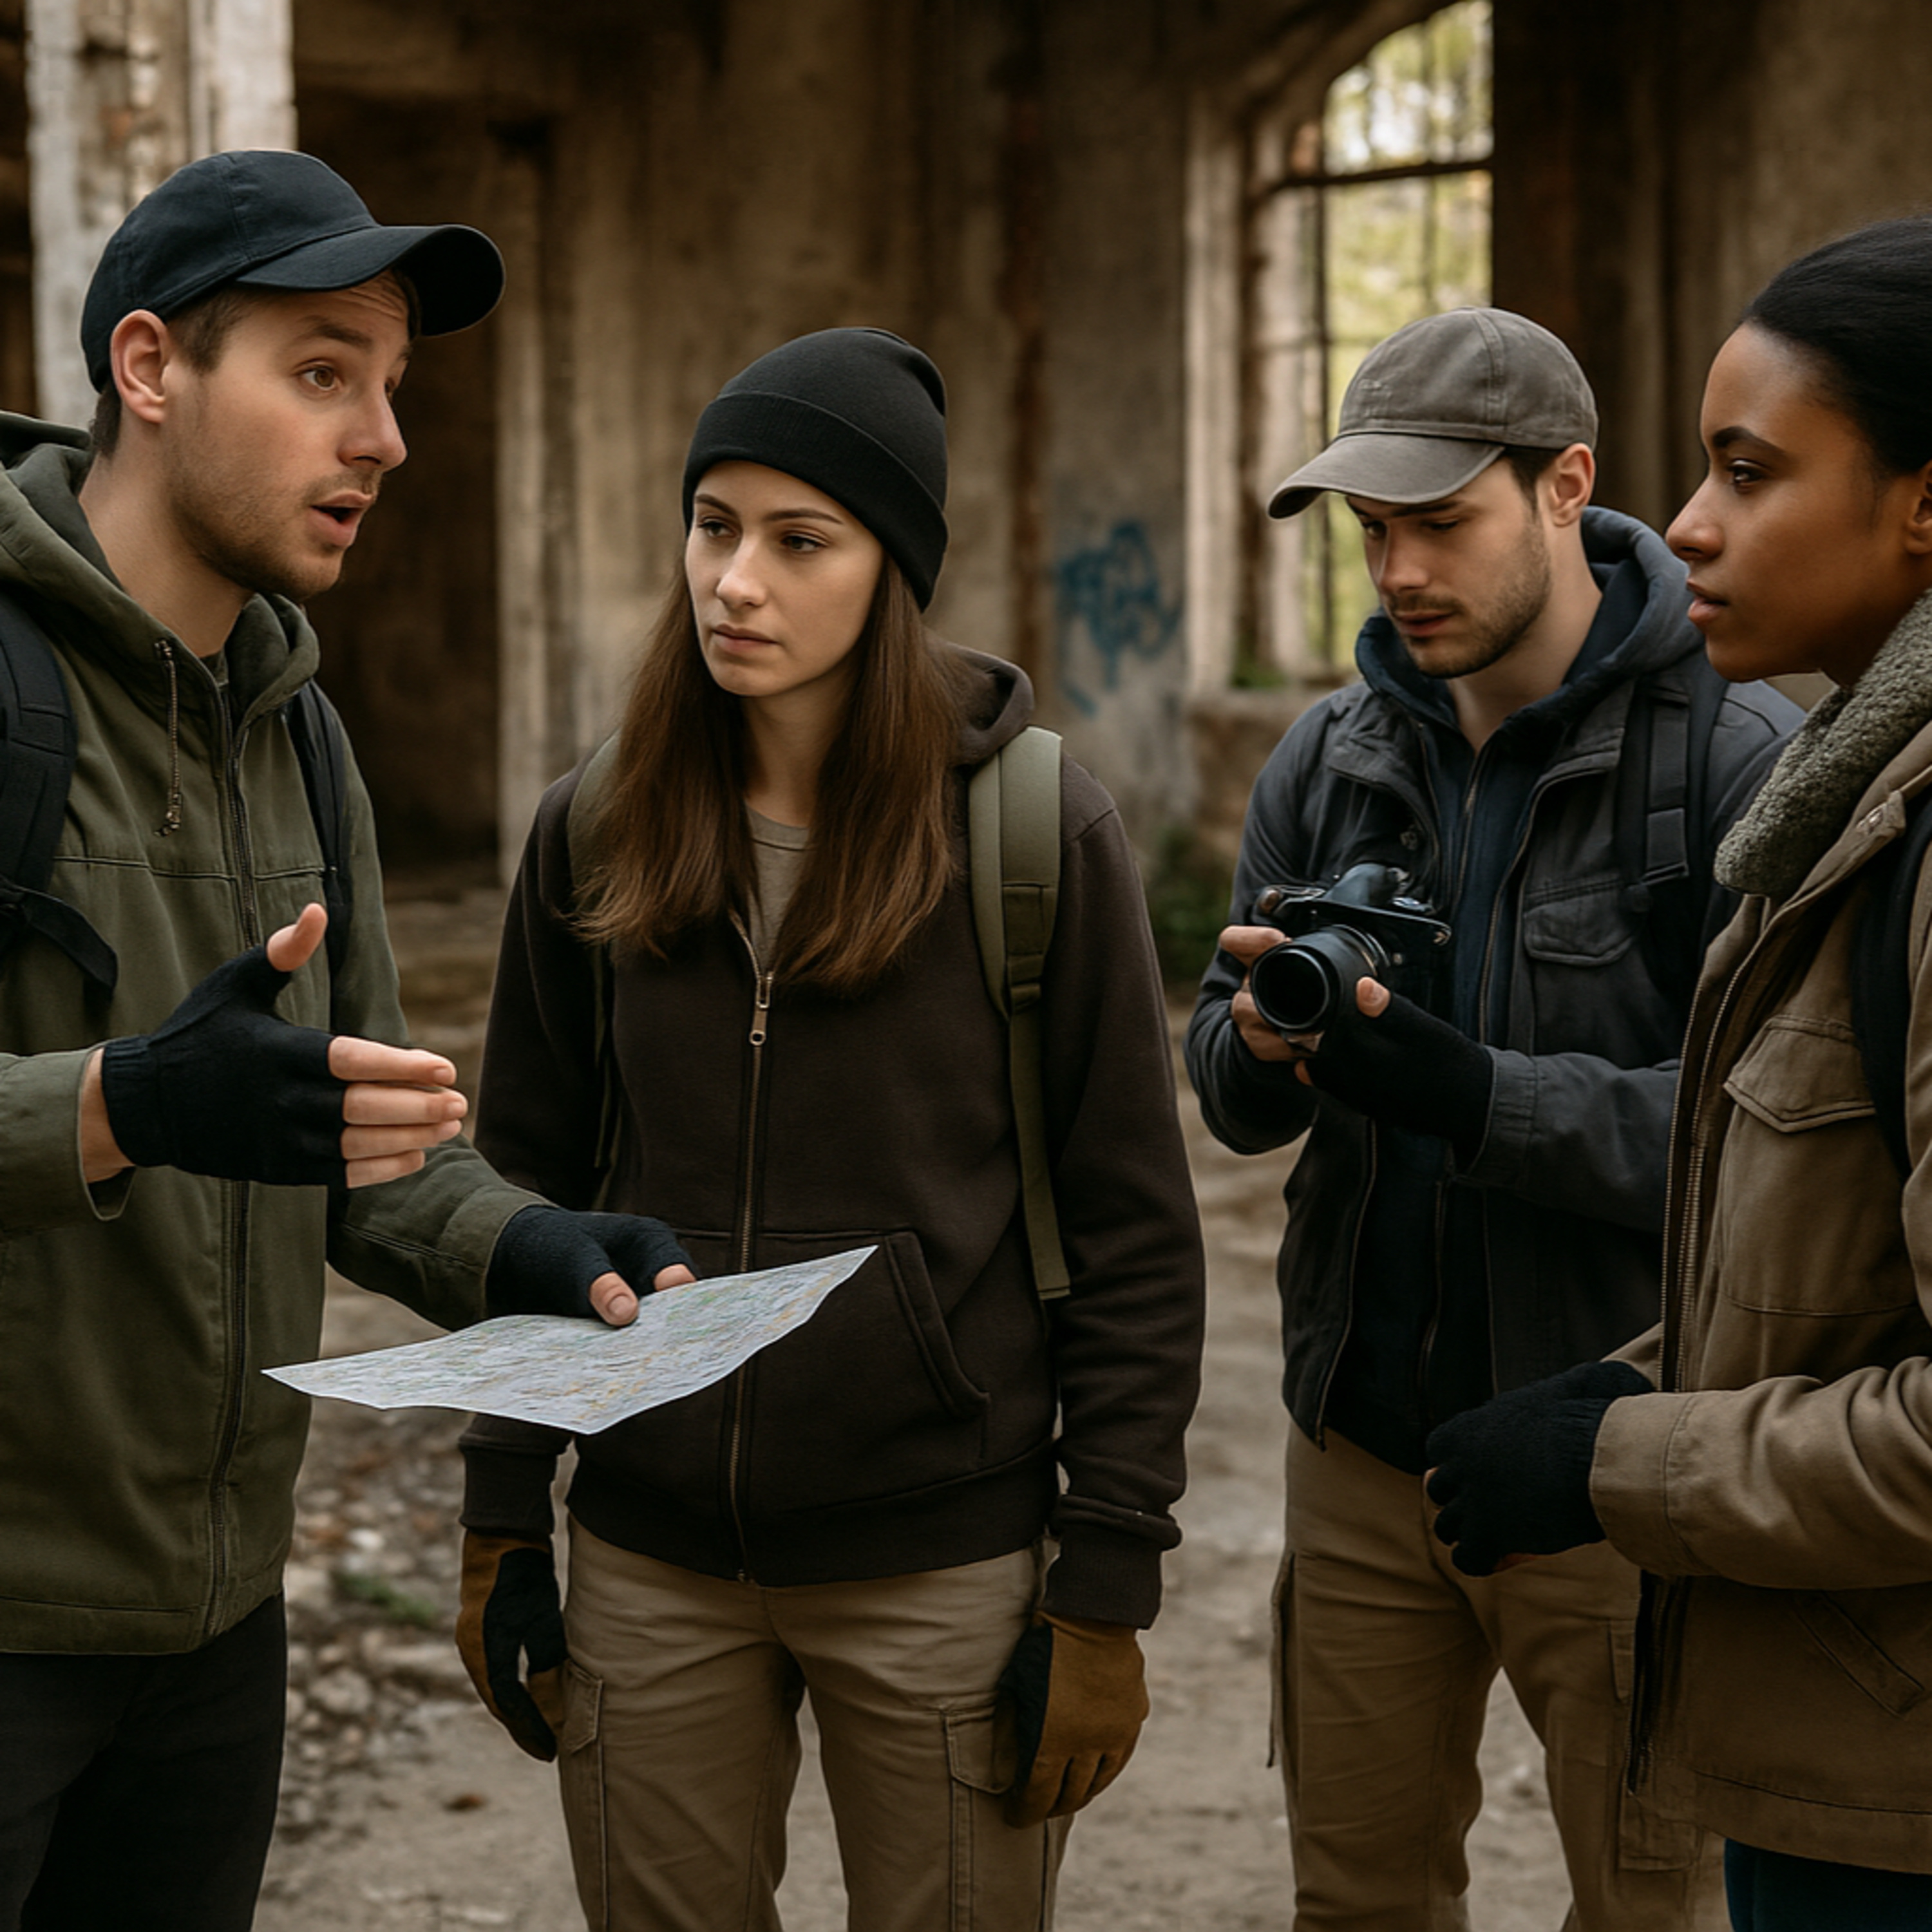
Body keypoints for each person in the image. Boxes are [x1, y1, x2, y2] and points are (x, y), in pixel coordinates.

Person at [0, 150, 694, 1932]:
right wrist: (127, 1103)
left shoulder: (300, 735)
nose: (386, 439)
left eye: (392, 385)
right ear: (149, 370)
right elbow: (177, 1107)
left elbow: (368, 1136)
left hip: (219, 1630)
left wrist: (525, 1252)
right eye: (325, 373)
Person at [455, 326, 1206, 1931]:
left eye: (802, 541)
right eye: (714, 525)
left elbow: (1136, 1229)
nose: (738, 581)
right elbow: (519, 1181)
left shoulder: (1034, 829)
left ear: (891, 572)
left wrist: (1105, 1590)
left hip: (937, 1562)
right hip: (649, 1556)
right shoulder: (594, 825)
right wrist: (502, 1514)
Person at [1185, 307, 1801, 1931]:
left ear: (1564, 487)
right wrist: (1255, 1043)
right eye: (1373, 530)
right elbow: (1222, 1085)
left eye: (1438, 522)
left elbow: (1769, 1156)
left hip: (1616, 1448)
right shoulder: (1329, 754)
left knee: (1649, 1908)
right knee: (1359, 1899)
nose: (1396, 571)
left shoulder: (1738, 764)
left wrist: (1470, 1094)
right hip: (1364, 1451)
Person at [1426, 222, 1932, 1929]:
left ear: (1924, 504)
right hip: (1841, 1759)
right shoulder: (1842, 816)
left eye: (1747, 470)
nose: (1690, 522)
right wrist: (1620, 1389)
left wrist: (1620, 1460)